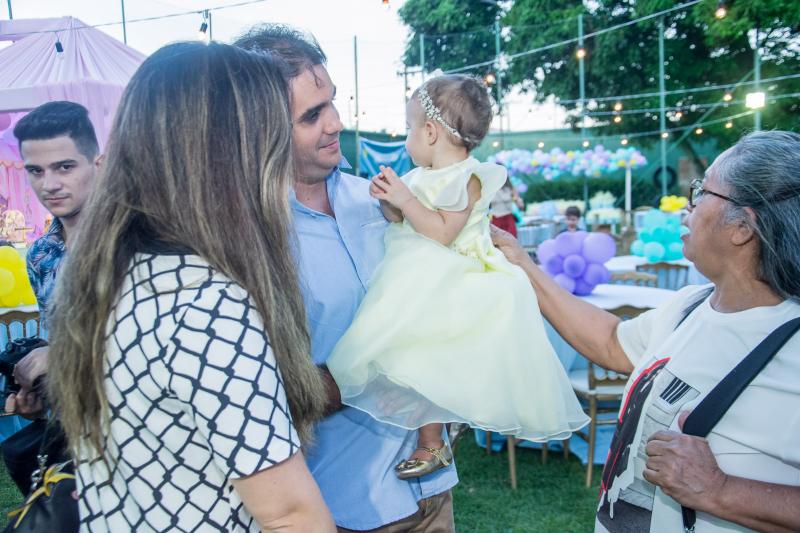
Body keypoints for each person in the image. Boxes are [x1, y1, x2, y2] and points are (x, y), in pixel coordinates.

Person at [47, 42, 335, 531]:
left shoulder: (109, 271)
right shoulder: (204, 303)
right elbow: (290, 514)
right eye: (272, 144)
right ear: (233, 158)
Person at [490, 130, 800, 532]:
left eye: (702, 192)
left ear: (742, 226)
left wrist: (720, 491)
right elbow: (610, 341)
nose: (686, 207)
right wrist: (522, 263)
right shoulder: (689, 305)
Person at [235, 24, 459, 532]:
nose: (336, 122)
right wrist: (373, 372)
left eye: (332, 102)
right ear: (259, 126)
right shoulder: (248, 238)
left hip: (432, 490)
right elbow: (258, 394)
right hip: (342, 508)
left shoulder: (382, 201)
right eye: (312, 115)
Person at [327, 74, 588, 480]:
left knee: (432, 357)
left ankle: (434, 440)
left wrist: (406, 200)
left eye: (409, 128)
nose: (407, 139)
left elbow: (442, 233)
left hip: (455, 276)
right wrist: (390, 202)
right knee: (410, 355)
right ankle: (434, 425)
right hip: (416, 275)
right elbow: (402, 221)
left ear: (430, 132)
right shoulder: (420, 176)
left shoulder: (467, 178)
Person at [5, 101, 102, 420]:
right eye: (36, 171)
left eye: (65, 167)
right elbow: (55, 339)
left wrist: (60, 357)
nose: (49, 185)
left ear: (98, 164)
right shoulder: (41, 254)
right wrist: (42, 400)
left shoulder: (135, 242)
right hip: (72, 426)